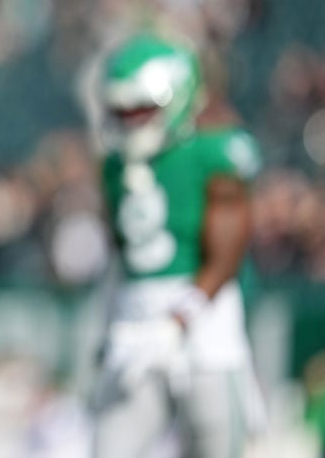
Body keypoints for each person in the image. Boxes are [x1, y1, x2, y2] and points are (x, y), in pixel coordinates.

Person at [87, 32, 265, 458]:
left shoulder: (214, 152)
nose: (130, 121)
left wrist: (179, 319)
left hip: (203, 331)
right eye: (121, 111)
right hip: (135, 324)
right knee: (109, 447)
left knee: (216, 445)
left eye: (141, 109)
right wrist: (108, 324)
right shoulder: (113, 167)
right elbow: (120, 255)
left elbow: (226, 257)